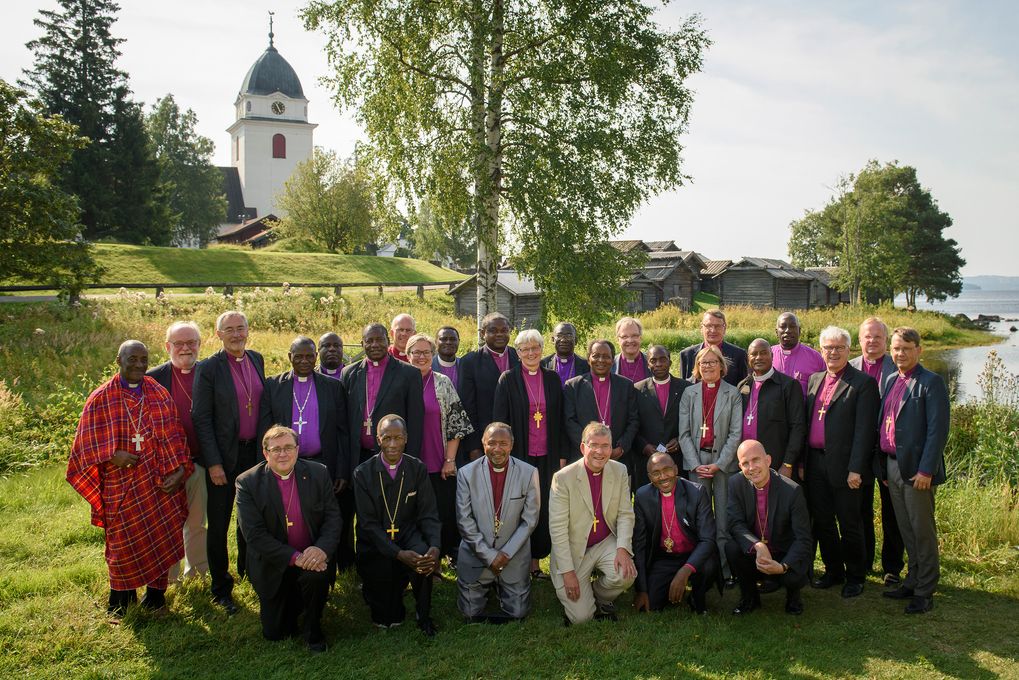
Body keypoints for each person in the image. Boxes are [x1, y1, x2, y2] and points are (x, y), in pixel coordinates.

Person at [68, 340, 192, 617]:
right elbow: (84, 444)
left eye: (143, 360)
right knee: (122, 544)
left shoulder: (158, 393)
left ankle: (156, 599)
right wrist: (113, 455)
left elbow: (176, 436)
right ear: (118, 360)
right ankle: (121, 602)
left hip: (159, 485)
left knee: (160, 536)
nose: (138, 365)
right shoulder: (101, 398)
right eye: (132, 359)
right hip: (120, 485)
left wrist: (180, 471)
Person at [235, 426, 341, 652]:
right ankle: (294, 603)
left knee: (315, 578)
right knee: (276, 633)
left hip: (311, 558)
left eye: (288, 448)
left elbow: (333, 518)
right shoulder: (247, 483)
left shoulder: (318, 472)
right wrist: (295, 557)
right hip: (274, 564)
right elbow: (254, 535)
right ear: (265, 453)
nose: (282, 454)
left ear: (297, 449)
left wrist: (321, 549)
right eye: (276, 449)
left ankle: (314, 631)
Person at [192, 310, 266, 614]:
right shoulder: (209, 368)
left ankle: (248, 570)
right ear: (218, 334)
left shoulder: (257, 359)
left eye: (241, 328)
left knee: (250, 516)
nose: (236, 334)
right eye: (229, 330)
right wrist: (213, 463)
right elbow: (202, 418)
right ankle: (221, 587)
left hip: (254, 455)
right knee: (220, 522)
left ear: (248, 331)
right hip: (224, 456)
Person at [341, 323, 424, 574]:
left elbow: (416, 420)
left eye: (379, 340)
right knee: (363, 511)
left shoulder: (408, 374)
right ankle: (364, 562)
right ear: (362, 342)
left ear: (387, 341)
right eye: (369, 340)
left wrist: (412, 461)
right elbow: (345, 423)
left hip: (394, 456)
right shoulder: (349, 373)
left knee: (394, 509)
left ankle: (398, 561)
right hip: (360, 457)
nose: (375, 345)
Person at [877, 327, 949, 614]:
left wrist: (926, 471)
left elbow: (937, 431)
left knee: (922, 531)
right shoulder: (892, 379)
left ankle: (925, 590)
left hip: (917, 471)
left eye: (906, 348)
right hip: (892, 465)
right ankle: (912, 580)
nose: (900, 353)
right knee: (905, 528)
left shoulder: (931, 383)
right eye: (895, 348)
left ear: (919, 350)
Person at [804, 326, 878, 598]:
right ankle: (834, 570)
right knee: (823, 521)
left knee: (849, 523)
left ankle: (855, 575)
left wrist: (856, 468)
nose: (833, 352)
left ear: (849, 350)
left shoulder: (863, 384)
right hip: (815, 463)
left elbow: (865, 431)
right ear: (821, 350)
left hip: (846, 467)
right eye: (828, 348)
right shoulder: (814, 379)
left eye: (838, 348)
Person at [353, 415, 441, 636]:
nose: (392, 444)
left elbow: (429, 514)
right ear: (378, 439)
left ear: (406, 439)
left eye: (398, 438)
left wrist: (435, 547)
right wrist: (399, 554)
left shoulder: (417, 468)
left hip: (407, 533)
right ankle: (377, 593)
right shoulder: (362, 474)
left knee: (423, 558)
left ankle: (424, 613)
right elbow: (368, 524)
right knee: (387, 617)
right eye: (387, 438)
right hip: (374, 542)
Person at [493, 329, 567, 578]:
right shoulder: (507, 379)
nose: (531, 353)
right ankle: (517, 561)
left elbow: (561, 421)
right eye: (525, 349)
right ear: (518, 352)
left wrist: (562, 455)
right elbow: (500, 421)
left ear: (542, 349)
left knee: (543, 507)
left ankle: (536, 563)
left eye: (535, 347)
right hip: (520, 455)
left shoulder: (553, 379)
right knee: (519, 508)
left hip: (548, 454)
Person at [549, 422, 636, 625]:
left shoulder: (620, 470)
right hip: (573, 551)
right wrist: (568, 573)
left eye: (605, 445)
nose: (599, 451)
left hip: (604, 543)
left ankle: (600, 594)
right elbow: (558, 530)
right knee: (581, 618)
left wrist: (622, 548)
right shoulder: (563, 478)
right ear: (583, 448)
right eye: (593, 445)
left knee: (625, 575)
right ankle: (581, 590)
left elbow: (625, 513)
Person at [455, 423, 540, 622]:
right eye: (491, 443)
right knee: (469, 613)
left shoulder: (528, 473)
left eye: (503, 443)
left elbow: (530, 520)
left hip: (513, 556)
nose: (497, 449)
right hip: (477, 555)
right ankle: (489, 584)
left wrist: (506, 553)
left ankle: (502, 585)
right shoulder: (467, 474)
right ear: (483, 444)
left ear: (512, 445)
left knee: (518, 613)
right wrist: (490, 556)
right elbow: (464, 520)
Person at [147, 321, 208, 582]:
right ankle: (167, 578)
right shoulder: (153, 377)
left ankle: (196, 573)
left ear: (199, 344)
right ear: (167, 346)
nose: (185, 348)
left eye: (191, 342)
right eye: (179, 343)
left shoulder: (209, 372)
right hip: (166, 466)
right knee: (165, 524)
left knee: (196, 522)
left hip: (201, 461)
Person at [677, 345, 742, 585]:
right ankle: (700, 569)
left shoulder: (733, 393)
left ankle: (724, 571)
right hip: (697, 463)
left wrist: (720, 463)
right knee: (700, 518)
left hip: (724, 464)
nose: (708, 366)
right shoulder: (689, 394)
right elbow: (683, 434)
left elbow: (736, 434)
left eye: (713, 362)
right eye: (703, 363)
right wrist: (695, 465)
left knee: (724, 517)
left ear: (722, 367)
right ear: (697, 367)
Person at [406, 332, 474, 562]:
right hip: (409, 463)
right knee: (413, 514)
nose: (421, 357)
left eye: (426, 352)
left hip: (438, 461)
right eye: (416, 352)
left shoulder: (442, 382)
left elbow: (456, 423)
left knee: (441, 512)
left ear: (432, 355)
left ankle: (439, 557)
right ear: (408, 355)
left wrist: (450, 460)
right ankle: (417, 560)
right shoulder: (400, 380)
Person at [726, 440, 812, 615]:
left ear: (768, 460)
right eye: (745, 463)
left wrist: (782, 566)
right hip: (756, 551)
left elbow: (803, 538)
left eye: (756, 460)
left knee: (793, 575)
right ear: (740, 466)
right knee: (732, 548)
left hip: (783, 553)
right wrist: (758, 545)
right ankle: (749, 598)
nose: (751, 467)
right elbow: (735, 523)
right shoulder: (735, 483)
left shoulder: (792, 490)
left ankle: (793, 597)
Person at [850, 316, 905, 586]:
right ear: (859, 340)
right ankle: (864, 559)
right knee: (860, 510)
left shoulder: (898, 370)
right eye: (867, 337)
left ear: (886, 341)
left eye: (878, 337)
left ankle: (892, 566)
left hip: (886, 452)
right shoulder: (849, 368)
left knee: (891, 510)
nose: (872, 341)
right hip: (858, 452)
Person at [632, 453, 719, 614]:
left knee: (707, 567)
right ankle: (668, 588)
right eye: (656, 473)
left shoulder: (697, 492)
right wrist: (642, 589)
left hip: (693, 554)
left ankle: (696, 595)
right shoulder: (642, 496)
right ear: (650, 477)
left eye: (667, 470)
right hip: (664, 557)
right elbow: (639, 544)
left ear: (676, 469)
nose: (663, 477)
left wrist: (685, 570)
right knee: (652, 604)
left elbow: (707, 540)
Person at [259, 336, 348, 486]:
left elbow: (342, 432)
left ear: (316, 357)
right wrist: (264, 468)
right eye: (299, 356)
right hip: (284, 463)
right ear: (290, 356)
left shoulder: (333, 387)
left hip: (323, 463)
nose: (304, 361)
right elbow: (264, 431)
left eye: (309, 356)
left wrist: (342, 471)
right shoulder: (273, 386)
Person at [563, 340, 639, 472]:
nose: (601, 360)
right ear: (588, 359)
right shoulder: (573, 386)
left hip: (618, 458)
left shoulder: (626, 386)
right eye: (596, 355)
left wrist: (621, 448)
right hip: (584, 458)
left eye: (606, 356)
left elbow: (633, 420)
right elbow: (569, 421)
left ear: (612, 360)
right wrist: (590, 449)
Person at [737, 339, 806, 473]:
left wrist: (788, 463)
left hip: (777, 463)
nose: (759, 357)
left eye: (764, 353)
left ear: (772, 356)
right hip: (747, 465)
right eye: (754, 354)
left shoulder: (789, 385)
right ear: (748, 358)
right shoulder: (742, 386)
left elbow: (798, 427)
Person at [460, 312, 520, 462]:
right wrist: (474, 446)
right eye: (493, 330)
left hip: (517, 439)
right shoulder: (470, 362)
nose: (499, 334)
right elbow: (468, 407)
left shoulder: (519, 357)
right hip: (485, 441)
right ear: (482, 334)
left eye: (504, 330)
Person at [632, 345, 690, 489]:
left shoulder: (685, 388)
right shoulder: (637, 389)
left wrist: (679, 440)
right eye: (653, 360)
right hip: (646, 458)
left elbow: (691, 421)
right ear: (648, 364)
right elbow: (633, 422)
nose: (658, 364)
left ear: (670, 362)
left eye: (663, 359)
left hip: (677, 458)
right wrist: (644, 446)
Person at [679, 309, 748, 387]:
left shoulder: (739, 355)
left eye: (718, 326)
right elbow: (683, 387)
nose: (713, 330)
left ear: (724, 329)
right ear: (701, 328)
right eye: (709, 326)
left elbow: (743, 388)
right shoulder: (686, 355)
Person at [771, 312, 825, 397]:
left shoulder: (815, 358)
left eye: (792, 326)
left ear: (799, 331)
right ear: (776, 332)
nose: (788, 330)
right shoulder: (767, 356)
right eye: (783, 326)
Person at [541, 321, 590, 386]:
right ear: (553, 340)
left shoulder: (586, 366)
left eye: (569, 336)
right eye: (559, 336)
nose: (563, 340)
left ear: (576, 340)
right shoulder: (543, 364)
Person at [613, 316, 649, 383]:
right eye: (625, 336)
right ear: (618, 340)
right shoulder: (610, 365)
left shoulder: (652, 363)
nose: (630, 340)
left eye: (634, 335)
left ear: (640, 338)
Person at [433, 326, 463, 393]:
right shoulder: (428, 366)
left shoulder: (465, 365)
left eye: (453, 339)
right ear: (435, 342)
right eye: (443, 339)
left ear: (458, 341)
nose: (448, 342)